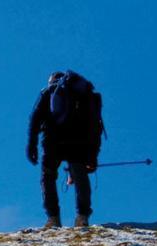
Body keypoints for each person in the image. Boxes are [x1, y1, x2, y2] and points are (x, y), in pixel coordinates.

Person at [27, 70, 104, 228]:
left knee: (48, 177)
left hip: (52, 142)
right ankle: (82, 217)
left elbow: (35, 118)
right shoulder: (84, 95)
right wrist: (92, 156)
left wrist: (32, 144)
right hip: (77, 142)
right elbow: (95, 128)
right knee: (80, 176)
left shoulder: (49, 92)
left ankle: (53, 218)